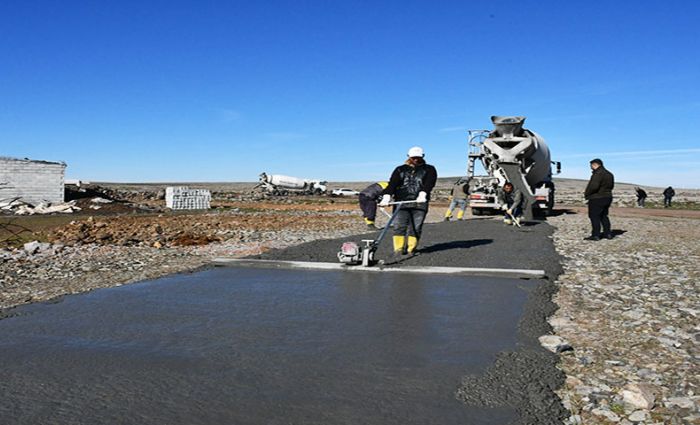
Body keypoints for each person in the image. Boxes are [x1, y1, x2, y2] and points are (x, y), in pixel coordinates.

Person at [379, 146, 437, 258]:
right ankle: (398, 249)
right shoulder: (400, 169)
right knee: (399, 226)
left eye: (418, 157)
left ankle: (411, 249)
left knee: (415, 227)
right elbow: (392, 183)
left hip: (420, 202)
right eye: (413, 157)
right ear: (408, 157)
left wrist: (423, 193)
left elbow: (430, 183)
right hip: (401, 202)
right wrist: (386, 196)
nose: (416, 159)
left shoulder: (429, 169)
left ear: (423, 156)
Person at [584, 158, 614, 241]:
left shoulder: (598, 173)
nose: (590, 167)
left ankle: (595, 235)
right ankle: (607, 233)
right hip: (607, 197)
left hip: (597, 198)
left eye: (591, 166)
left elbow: (593, 186)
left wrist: (587, 194)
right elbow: (611, 186)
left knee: (594, 216)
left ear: (595, 165)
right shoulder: (609, 174)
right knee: (604, 216)